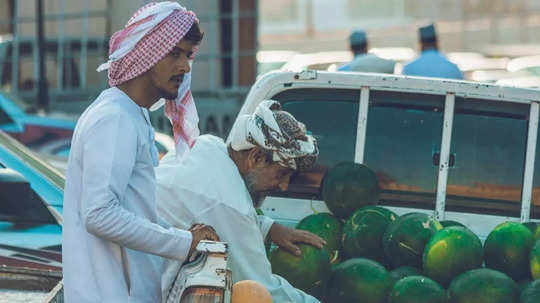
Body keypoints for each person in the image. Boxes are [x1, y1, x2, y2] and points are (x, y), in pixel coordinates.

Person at [62, 2, 218, 302]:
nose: (185, 66)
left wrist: (182, 235)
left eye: (188, 55)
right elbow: (100, 214)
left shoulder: (133, 115)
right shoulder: (114, 118)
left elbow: (132, 212)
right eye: (175, 54)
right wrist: (183, 242)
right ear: (146, 53)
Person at [157, 100, 325, 303]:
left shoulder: (206, 144)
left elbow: (207, 206)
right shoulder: (231, 206)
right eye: (281, 174)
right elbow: (260, 288)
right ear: (255, 157)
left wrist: (268, 227)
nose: (283, 186)